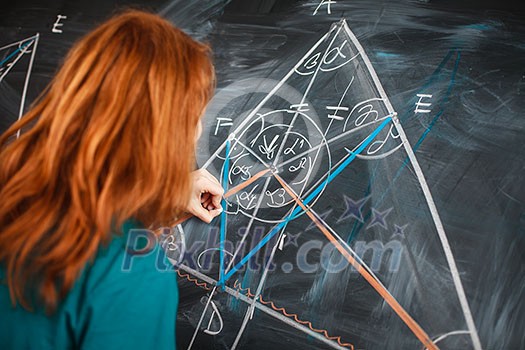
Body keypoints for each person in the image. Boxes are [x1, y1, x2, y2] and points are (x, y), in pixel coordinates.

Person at [0, 10, 223, 349]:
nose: (198, 131)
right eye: (194, 117)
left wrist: (158, 198)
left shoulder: (13, 199)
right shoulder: (133, 278)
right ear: (163, 135)